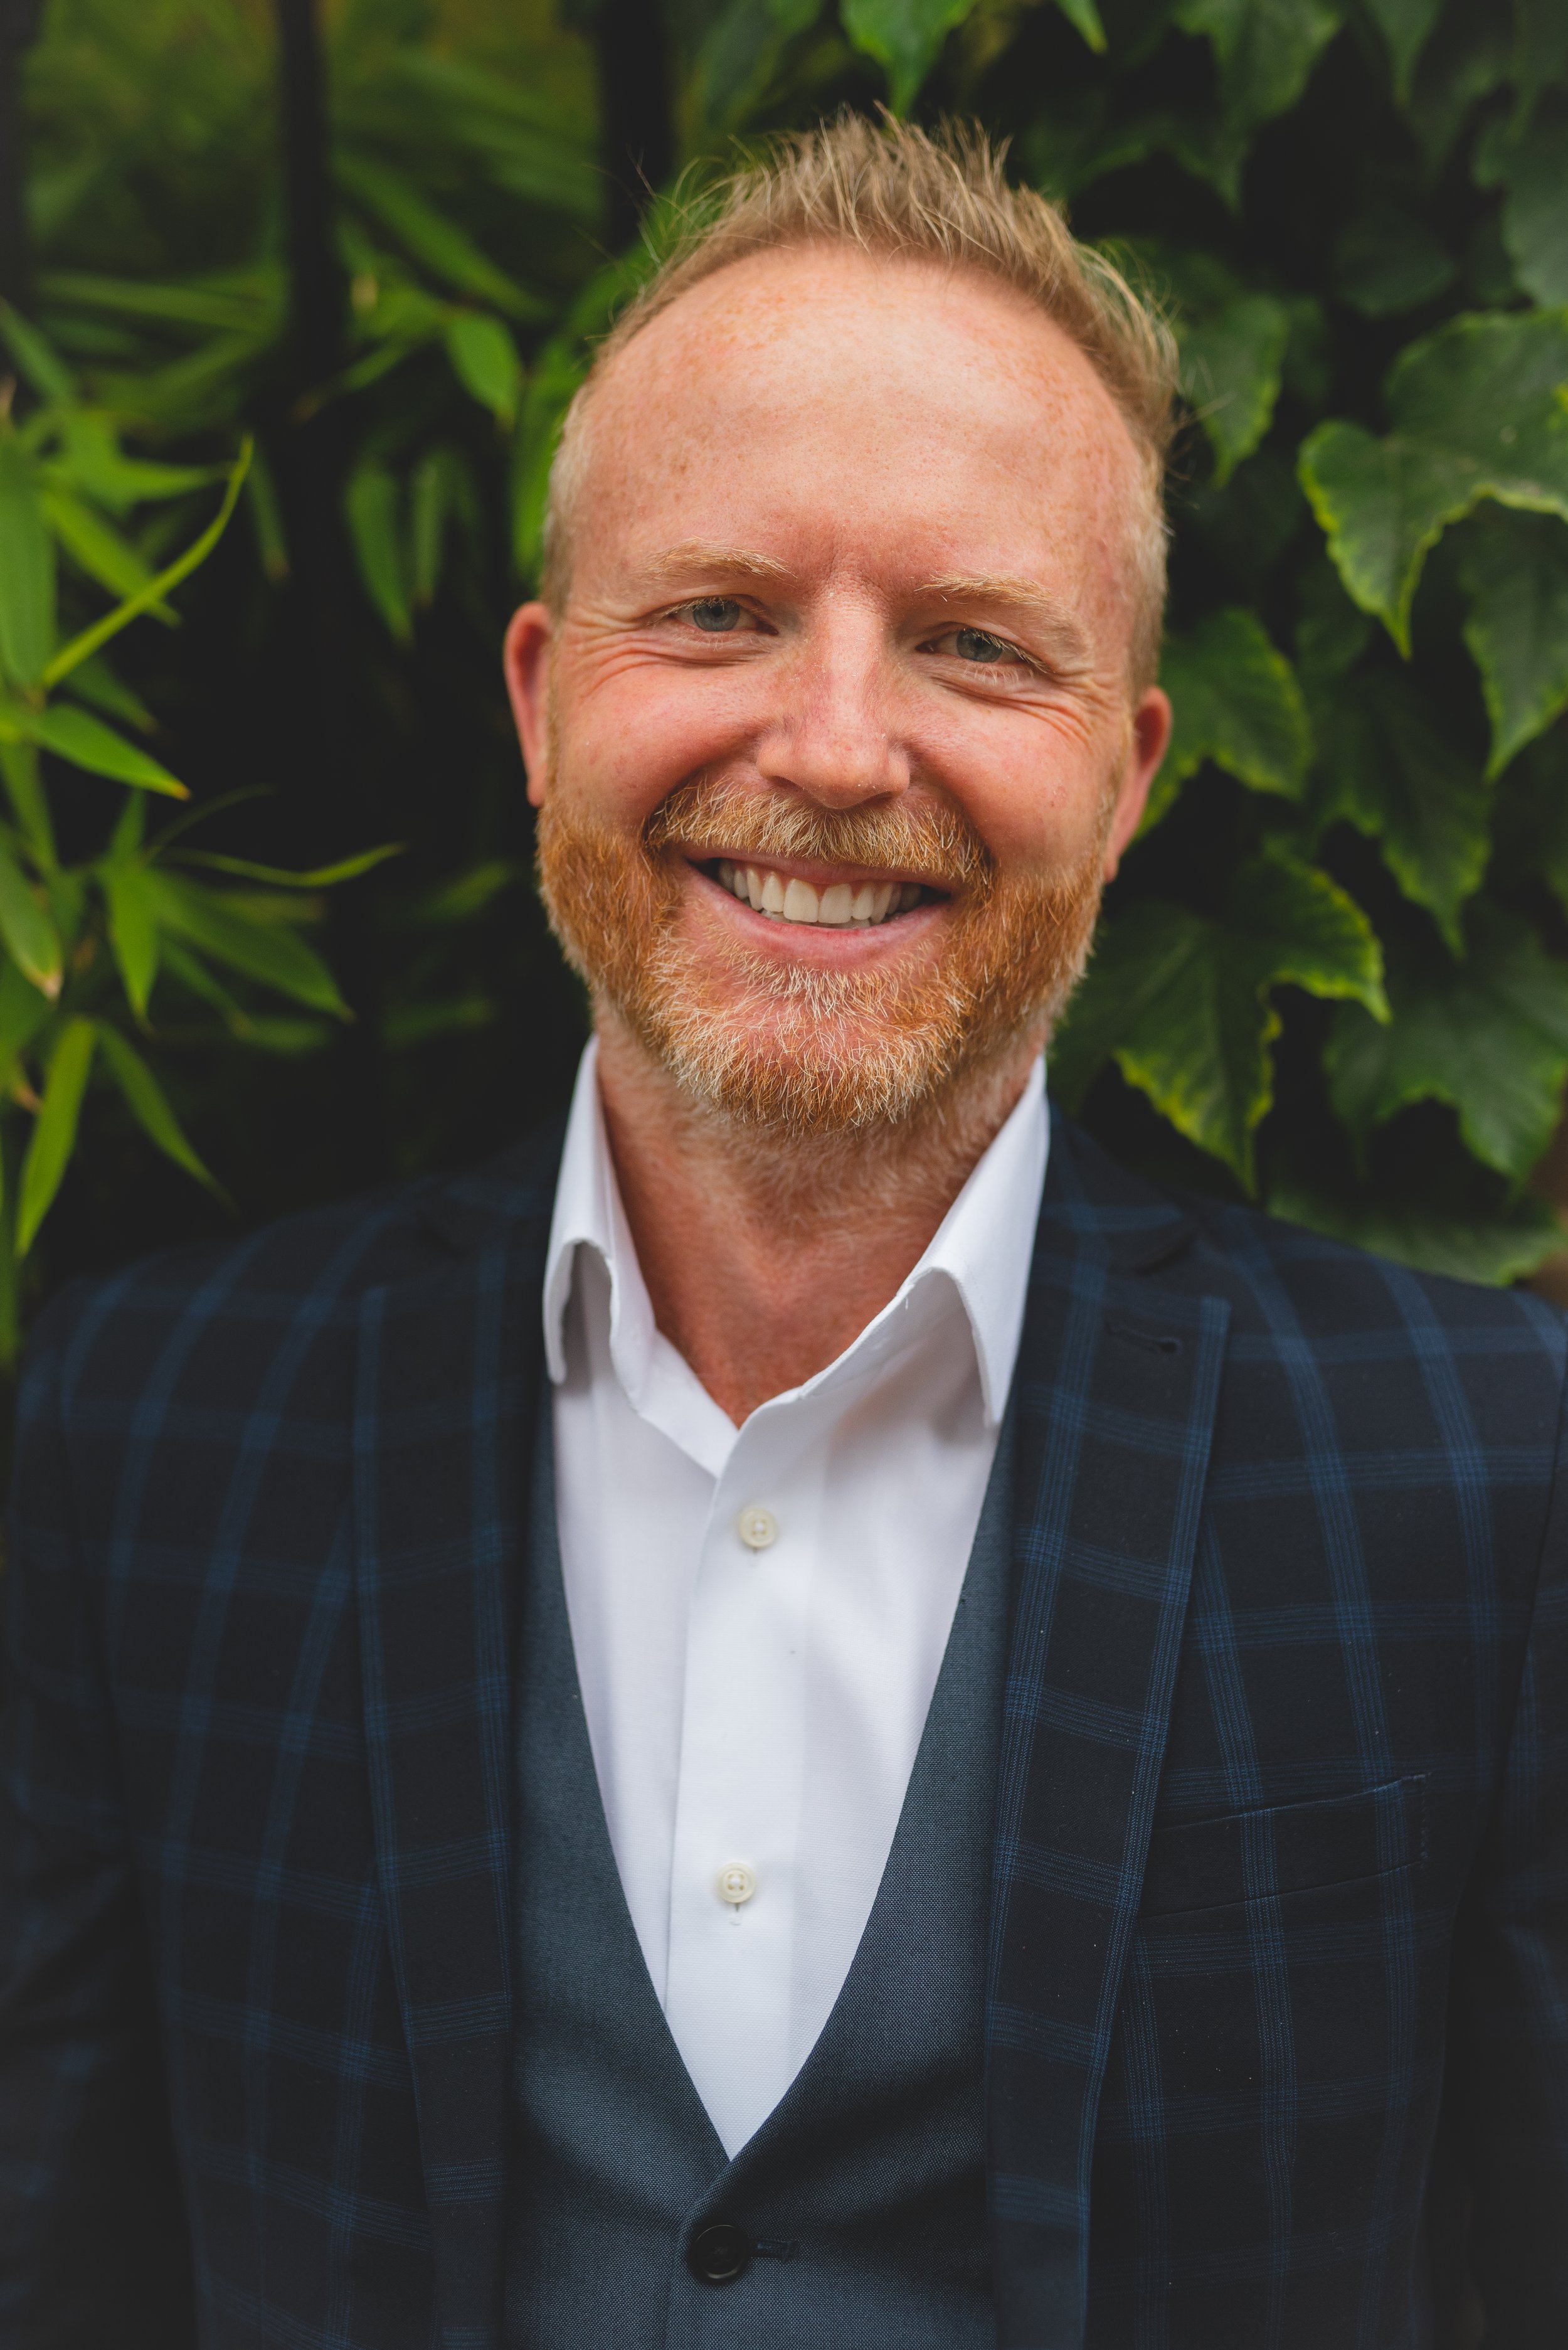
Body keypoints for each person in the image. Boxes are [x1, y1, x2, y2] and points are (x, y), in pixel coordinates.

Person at [0, 114, 1563, 2350]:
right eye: (720, 610)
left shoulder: (1487, 1469)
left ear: (1125, 777)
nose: (834, 748)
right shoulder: (152, 1430)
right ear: (543, 705)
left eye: (970, 644)